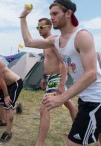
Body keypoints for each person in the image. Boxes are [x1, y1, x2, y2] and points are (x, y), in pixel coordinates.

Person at [20, 0, 101, 146]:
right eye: (50, 14)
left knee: (72, 143)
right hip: (86, 96)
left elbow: (91, 74)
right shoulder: (55, 40)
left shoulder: (82, 36)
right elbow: (28, 42)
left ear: (68, 13)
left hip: (97, 97)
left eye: (55, 13)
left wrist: (61, 97)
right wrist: (23, 17)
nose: (52, 17)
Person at [35, 17, 78, 146]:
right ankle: (77, 131)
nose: (39, 30)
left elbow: (64, 62)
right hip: (50, 78)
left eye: (41, 27)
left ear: (49, 27)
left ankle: (40, 143)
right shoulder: (46, 43)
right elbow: (47, 61)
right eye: (37, 28)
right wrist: (43, 77)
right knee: (69, 104)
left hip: (56, 78)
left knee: (44, 108)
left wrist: (61, 84)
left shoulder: (54, 42)